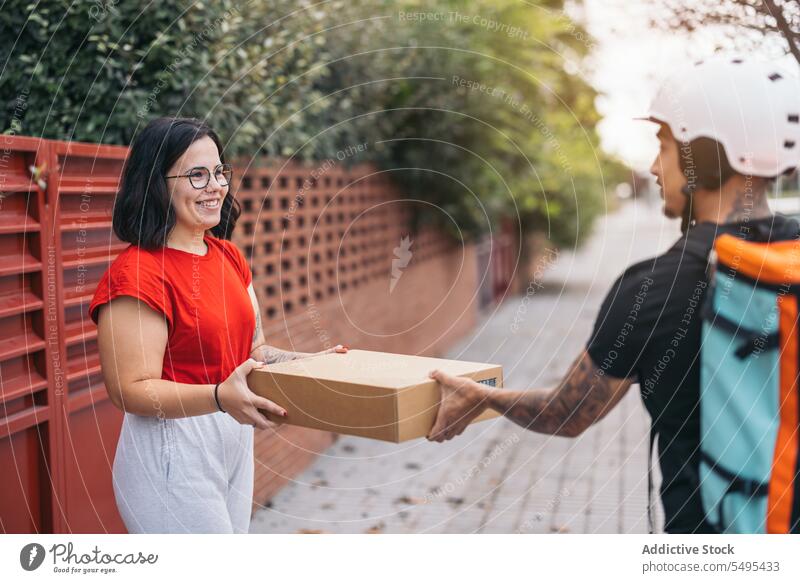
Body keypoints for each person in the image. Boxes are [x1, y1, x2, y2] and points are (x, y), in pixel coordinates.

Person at [425, 57, 800, 533]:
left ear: (702, 158)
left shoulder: (652, 288)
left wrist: (482, 397)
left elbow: (567, 413)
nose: (652, 166)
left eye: (664, 146)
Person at [89, 117, 347, 534]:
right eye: (197, 175)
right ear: (158, 184)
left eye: (219, 172)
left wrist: (311, 362)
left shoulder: (228, 257)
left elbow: (255, 352)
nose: (216, 186)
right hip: (172, 448)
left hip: (231, 436)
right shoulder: (136, 274)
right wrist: (218, 396)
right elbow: (129, 389)